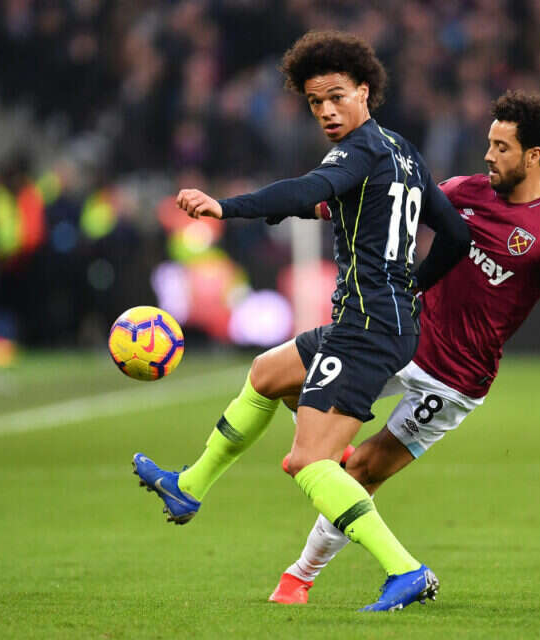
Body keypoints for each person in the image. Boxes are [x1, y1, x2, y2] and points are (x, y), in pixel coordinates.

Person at [131, 30, 470, 612]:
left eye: (337, 96)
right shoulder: (403, 151)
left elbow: (308, 189)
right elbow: (456, 235)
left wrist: (226, 207)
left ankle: (405, 570)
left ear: (364, 92)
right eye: (316, 102)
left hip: (366, 329)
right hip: (377, 321)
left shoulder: (358, 151)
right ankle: (189, 487)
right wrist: (413, 286)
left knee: (309, 462)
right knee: (266, 374)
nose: (327, 111)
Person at [268, 90, 540, 604]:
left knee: (363, 471)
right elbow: (384, 204)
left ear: (533, 156)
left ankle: (299, 578)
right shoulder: (465, 191)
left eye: (502, 147)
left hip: (453, 381)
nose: (488, 155)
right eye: (489, 143)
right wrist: (308, 207)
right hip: (402, 340)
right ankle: (328, 452)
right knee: (284, 382)